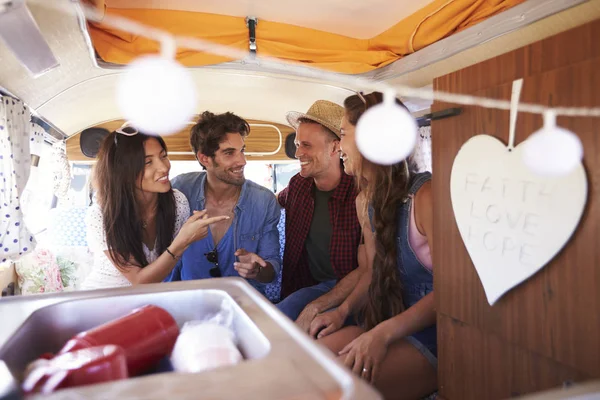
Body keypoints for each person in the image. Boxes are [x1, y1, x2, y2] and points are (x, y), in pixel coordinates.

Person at [316, 92, 437, 399]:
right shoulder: (364, 201)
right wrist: (342, 311)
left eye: (343, 135)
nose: (339, 146)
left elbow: (452, 291)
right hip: (387, 324)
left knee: (331, 390)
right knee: (305, 362)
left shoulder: (426, 196)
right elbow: (371, 271)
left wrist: (381, 335)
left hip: (435, 334)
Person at [82, 123, 229, 290]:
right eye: (148, 162)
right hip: (103, 298)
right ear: (123, 171)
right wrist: (182, 241)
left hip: (147, 298)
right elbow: (139, 280)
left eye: (163, 156)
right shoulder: (101, 215)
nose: (163, 167)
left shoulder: (177, 202)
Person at [165, 111, 281, 296]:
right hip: (190, 302)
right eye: (229, 153)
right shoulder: (180, 191)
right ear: (205, 159)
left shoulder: (263, 201)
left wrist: (258, 270)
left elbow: (272, 271)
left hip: (244, 306)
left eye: (242, 150)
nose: (242, 161)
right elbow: (166, 260)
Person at [276, 100, 363, 324]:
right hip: (306, 286)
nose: (297, 153)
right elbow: (272, 202)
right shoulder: (298, 185)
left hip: (355, 294)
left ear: (335, 147)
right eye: (297, 144)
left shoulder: (360, 193)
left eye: (306, 145)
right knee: (274, 322)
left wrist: (319, 305)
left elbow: (371, 267)